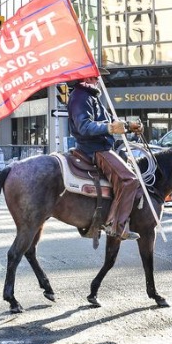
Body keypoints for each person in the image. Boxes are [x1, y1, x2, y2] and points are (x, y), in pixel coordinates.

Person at [67, 69, 144, 241]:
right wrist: (110, 128)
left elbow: (111, 123)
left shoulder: (92, 96)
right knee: (130, 180)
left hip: (102, 145)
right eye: (94, 76)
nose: (97, 79)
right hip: (94, 148)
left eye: (97, 76)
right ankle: (115, 225)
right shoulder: (80, 96)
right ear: (85, 76)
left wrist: (129, 126)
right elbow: (84, 127)